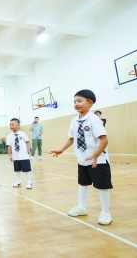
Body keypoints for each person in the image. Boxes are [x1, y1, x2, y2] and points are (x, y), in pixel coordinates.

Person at [51, 89, 113, 225]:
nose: (76, 104)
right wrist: (61, 149)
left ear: (90, 103)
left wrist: (95, 154)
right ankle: (82, 207)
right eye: (74, 102)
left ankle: (105, 212)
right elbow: (72, 139)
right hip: (83, 159)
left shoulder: (94, 120)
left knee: (102, 186)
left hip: (98, 160)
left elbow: (104, 140)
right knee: (83, 183)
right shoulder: (74, 121)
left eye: (79, 101)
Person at [6, 118, 33, 189]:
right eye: (10, 125)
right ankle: (18, 181)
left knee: (26, 169)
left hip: (24, 155)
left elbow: (27, 141)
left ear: (18, 125)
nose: (11, 126)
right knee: (17, 169)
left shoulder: (23, 134)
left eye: (13, 124)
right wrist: (10, 155)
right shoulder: (9, 136)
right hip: (15, 156)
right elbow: (9, 146)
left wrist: (28, 148)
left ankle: (29, 182)